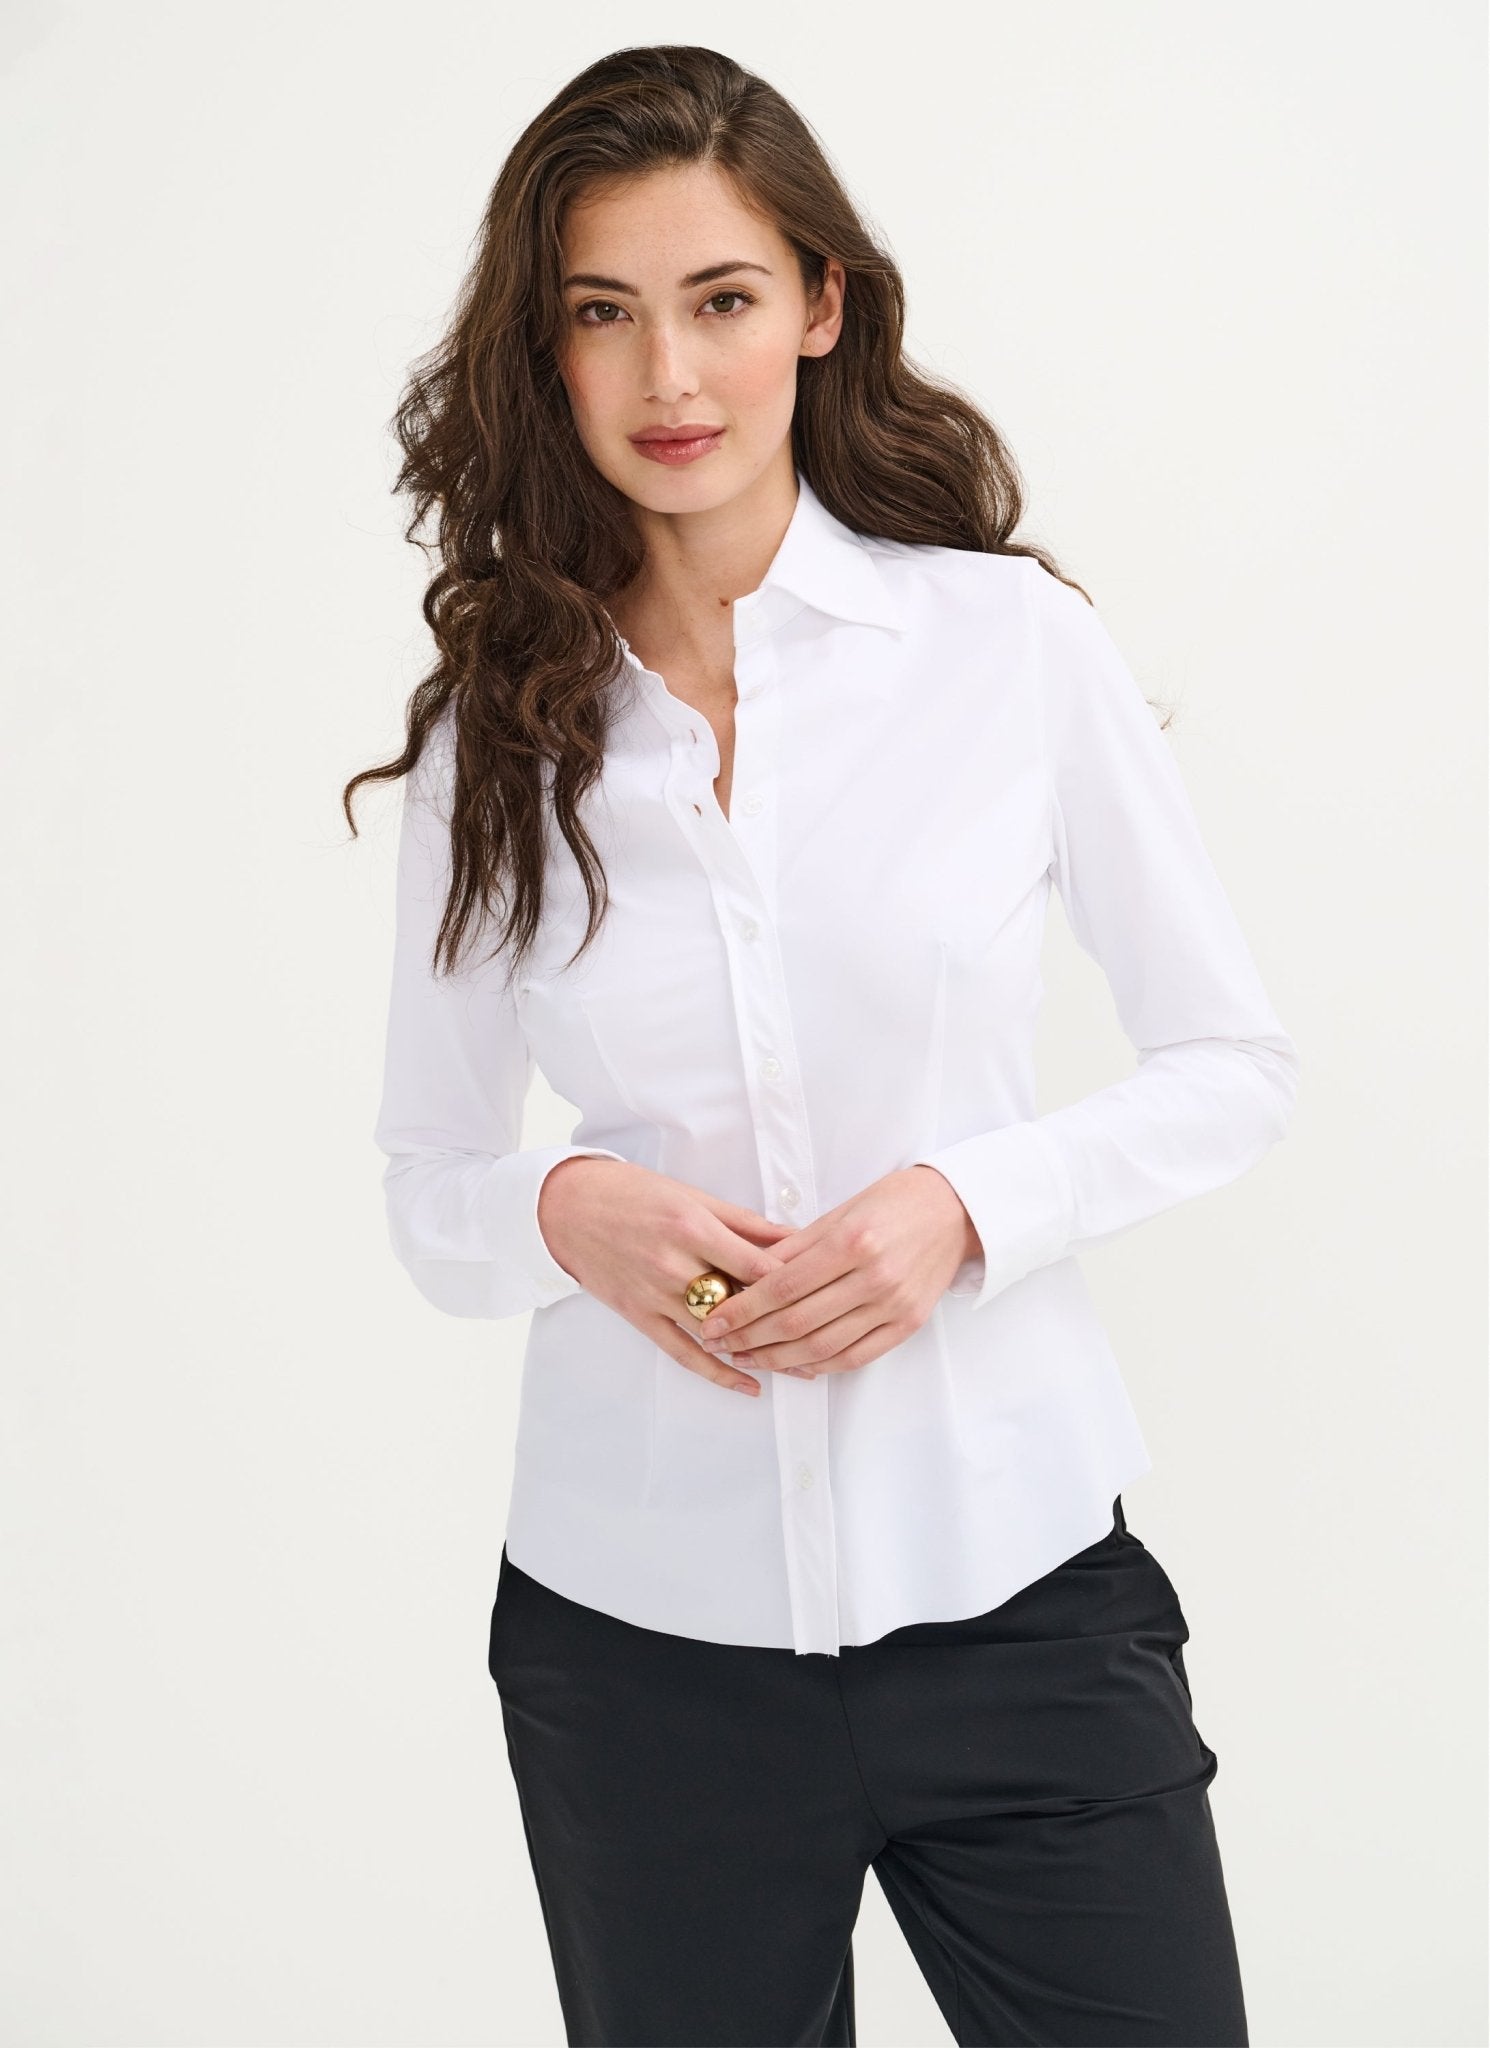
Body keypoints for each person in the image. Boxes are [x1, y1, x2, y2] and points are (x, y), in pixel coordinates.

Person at [347, 43, 1299, 2048]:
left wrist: (963, 1204)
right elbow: (431, 1187)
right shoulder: (490, 735)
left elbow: (1231, 1060)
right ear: (545, 350)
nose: (666, 376)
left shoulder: (1005, 650)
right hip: (637, 1653)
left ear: (818, 305)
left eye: (719, 299)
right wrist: (568, 1208)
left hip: (1018, 1598)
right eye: (601, 313)